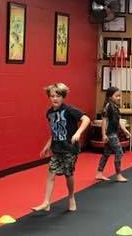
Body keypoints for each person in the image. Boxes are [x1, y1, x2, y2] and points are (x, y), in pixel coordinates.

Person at [33, 83, 91, 213]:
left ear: (63, 97)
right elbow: (55, 132)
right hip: (57, 148)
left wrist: (78, 133)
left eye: (58, 96)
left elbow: (86, 119)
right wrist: (47, 146)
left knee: (68, 174)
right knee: (50, 173)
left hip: (70, 148)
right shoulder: (49, 113)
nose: (55, 98)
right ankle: (46, 201)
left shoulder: (69, 109)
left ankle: (71, 197)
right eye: (52, 96)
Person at [95, 87, 131, 183]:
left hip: (114, 133)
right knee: (119, 152)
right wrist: (103, 134)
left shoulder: (115, 107)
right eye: (117, 96)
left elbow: (117, 121)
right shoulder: (108, 106)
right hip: (110, 134)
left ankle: (99, 172)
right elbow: (104, 120)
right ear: (110, 96)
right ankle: (118, 174)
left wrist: (124, 130)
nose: (119, 98)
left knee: (106, 153)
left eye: (120, 96)